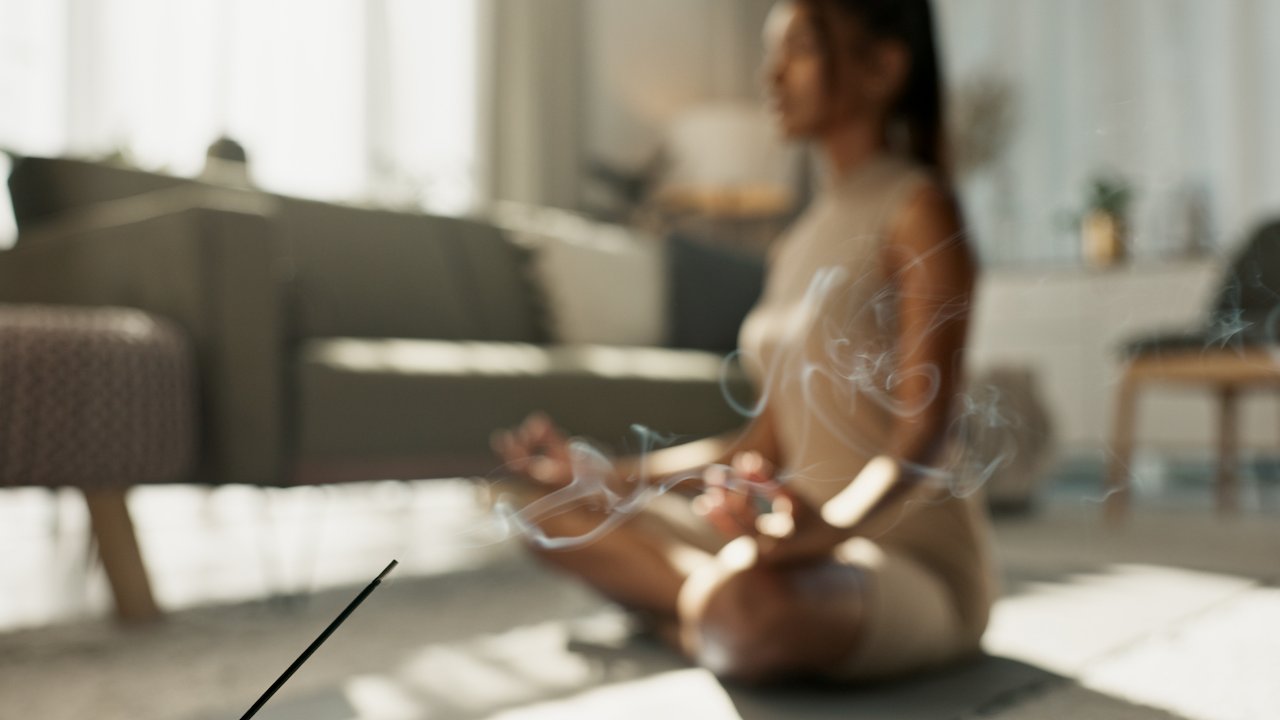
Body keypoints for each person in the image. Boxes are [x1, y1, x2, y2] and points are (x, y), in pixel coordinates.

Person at [492, 0, 996, 684]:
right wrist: (605, 476)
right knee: (536, 509)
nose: (772, 76)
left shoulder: (919, 211)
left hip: (898, 552)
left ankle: (690, 614)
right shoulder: (795, 242)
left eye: (800, 51)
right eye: (770, 54)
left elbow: (924, 438)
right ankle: (712, 616)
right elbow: (757, 447)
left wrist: (826, 530)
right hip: (799, 546)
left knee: (753, 608)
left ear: (883, 66)